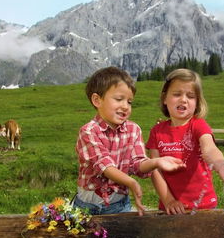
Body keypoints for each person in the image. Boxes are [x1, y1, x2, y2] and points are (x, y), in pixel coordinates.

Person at [74, 67, 185, 216]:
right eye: (119, 99)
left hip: (119, 205)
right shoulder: (88, 132)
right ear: (97, 100)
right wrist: (131, 182)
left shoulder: (133, 130)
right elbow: (105, 166)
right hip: (88, 208)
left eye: (130, 101)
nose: (125, 106)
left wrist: (156, 162)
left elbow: (137, 164)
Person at [146, 68, 224, 215]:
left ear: (197, 102)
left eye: (190, 96)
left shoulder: (198, 125)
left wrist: (221, 165)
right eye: (177, 94)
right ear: (165, 98)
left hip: (203, 207)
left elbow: (209, 149)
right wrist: (168, 200)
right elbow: (155, 170)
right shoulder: (157, 132)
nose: (183, 99)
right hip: (170, 208)